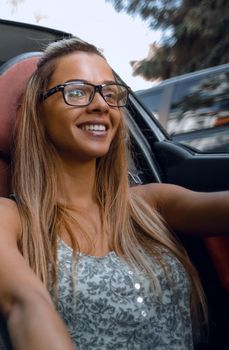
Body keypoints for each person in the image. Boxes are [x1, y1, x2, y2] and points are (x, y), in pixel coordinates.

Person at [0, 37, 228, 350]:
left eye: (109, 93)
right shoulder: (10, 218)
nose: (101, 105)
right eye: (77, 91)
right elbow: (24, 305)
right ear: (36, 112)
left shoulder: (150, 203)